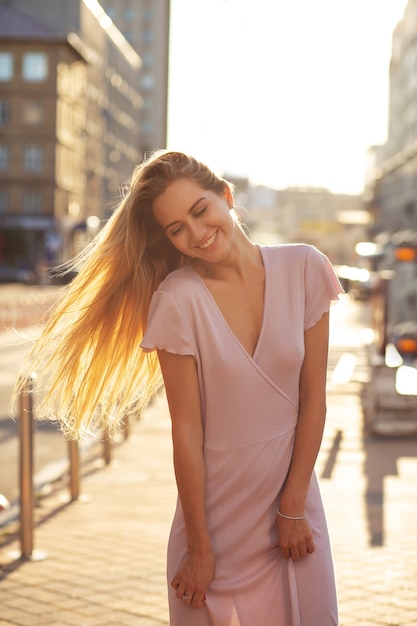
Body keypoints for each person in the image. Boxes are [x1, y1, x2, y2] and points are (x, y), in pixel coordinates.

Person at [13, 150, 342, 625]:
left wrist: (293, 506)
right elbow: (186, 433)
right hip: (215, 523)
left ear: (226, 197)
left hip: (294, 512)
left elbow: (314, 398)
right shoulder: (178, 299)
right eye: (176, 229)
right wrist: (200, 548)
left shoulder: (306, 268)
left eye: (200, 210)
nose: (196, 234)